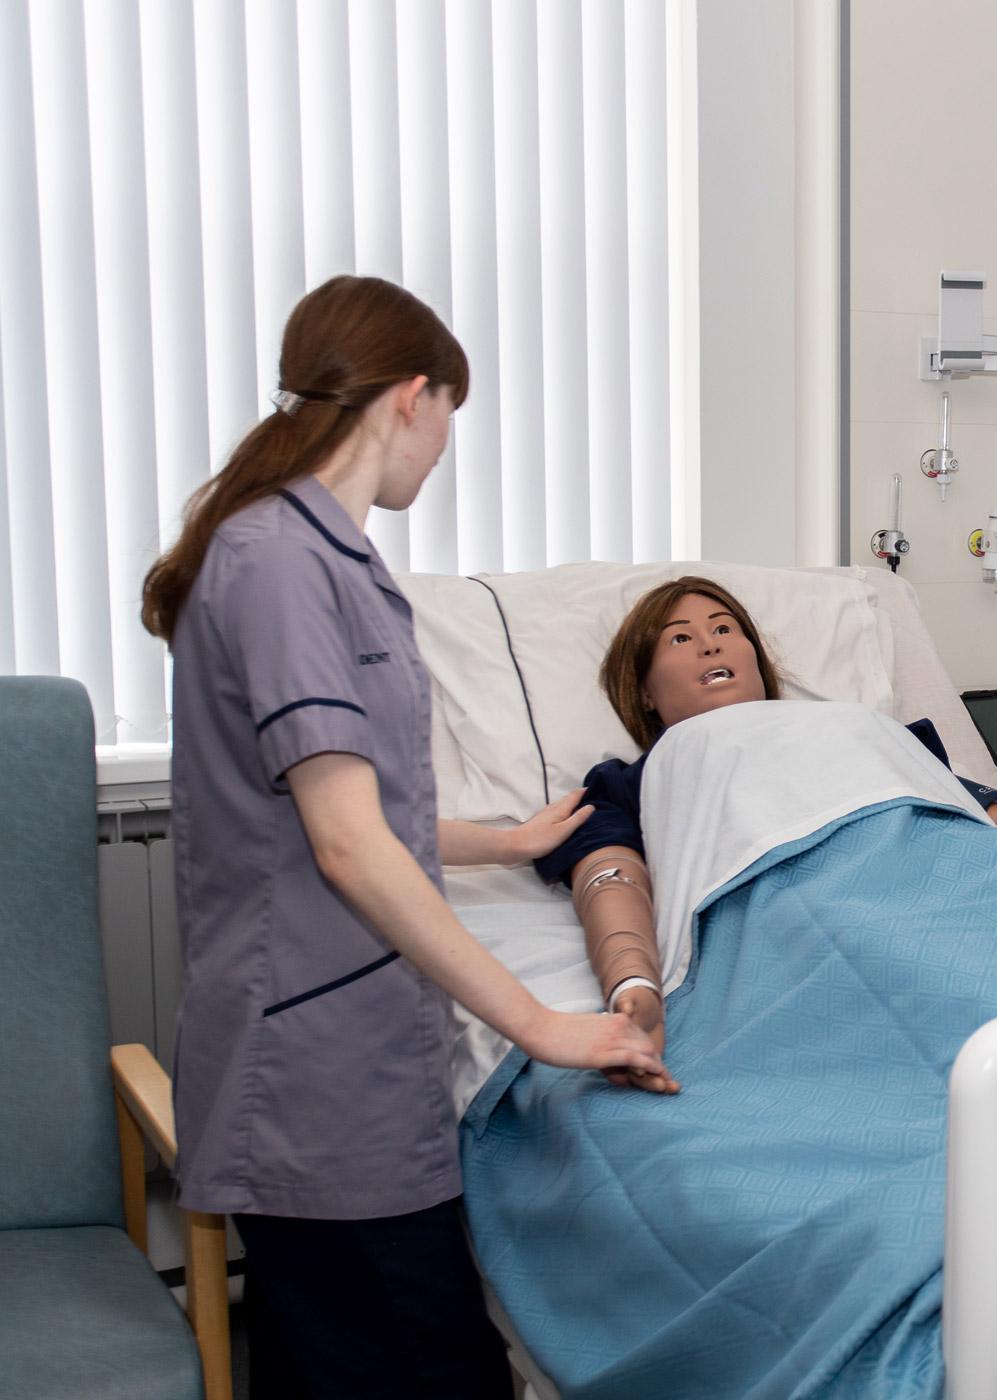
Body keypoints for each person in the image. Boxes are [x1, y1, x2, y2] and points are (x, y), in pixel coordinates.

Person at [141, 275, 663, 1398]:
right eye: (449, 417)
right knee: (433, 1366)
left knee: (323, 1362)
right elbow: (344, 842)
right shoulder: (280, 563)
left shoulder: (320, 554)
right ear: (412, 397)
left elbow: (347, 803)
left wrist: (505, 842)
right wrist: (545, 1026)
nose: (441, 448)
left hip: (352, 1055)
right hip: (315, 1076)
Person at [532, 578, 997, 1053]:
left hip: (971, 879)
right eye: (681, 638)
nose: (710, 644)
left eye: (725, 628)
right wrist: (633, 990)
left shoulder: (859, 727)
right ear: (644, 691)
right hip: (808, 913)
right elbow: (610, 877)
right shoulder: (641, 777)